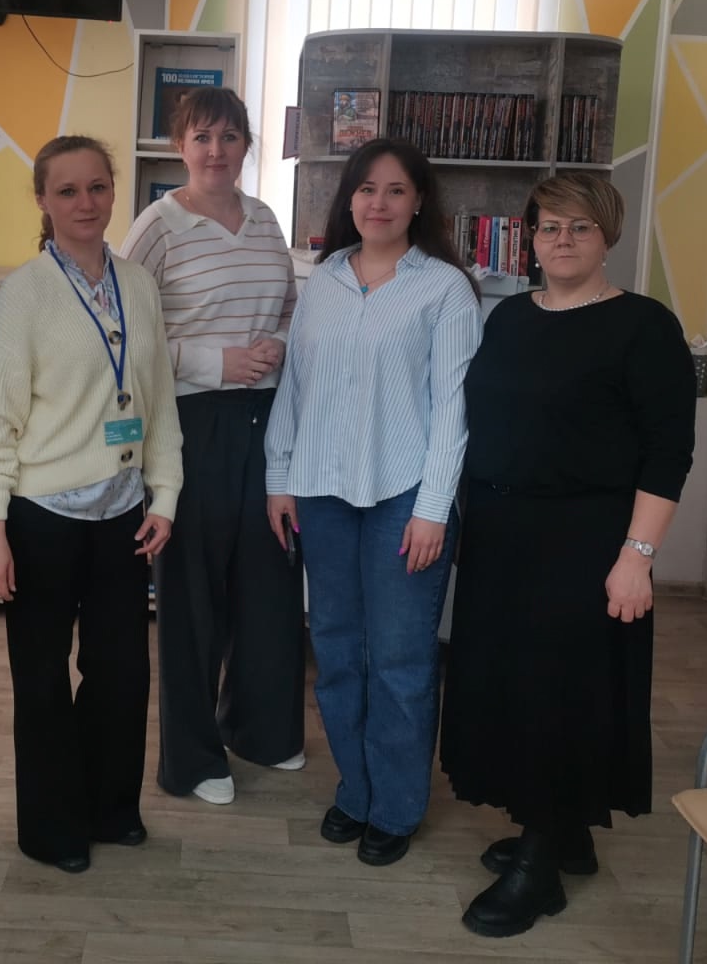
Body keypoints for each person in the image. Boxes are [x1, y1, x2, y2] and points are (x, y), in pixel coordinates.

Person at [439, 172, 695, 939]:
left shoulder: (644, 327)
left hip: (586, 540)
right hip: (500, 535)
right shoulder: (510, 317)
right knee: (511, 689)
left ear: (607, 234)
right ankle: (562, 832)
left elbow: (668, 453)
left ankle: (540, 868)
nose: (562, 240)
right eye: (549, 226)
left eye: (579, 226)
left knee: (560, 696)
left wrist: (637, 556)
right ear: (531, 237)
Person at [0, 135, 182, 874]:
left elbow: (159, 404)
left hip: (124, 514)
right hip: (41, 517)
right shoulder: (23, 295)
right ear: (42, 201)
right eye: (67, 191)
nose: (85, 203)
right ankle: (51, 828)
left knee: (122, 674)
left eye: (97, 187)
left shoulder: (137, 285)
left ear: (114, 192)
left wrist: (165, 495)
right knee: (42, 679)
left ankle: (110, 808)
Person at [264, 138, 481, 868]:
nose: (378, 203)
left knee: (400, 660)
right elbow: (296, 388)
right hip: (321, 492)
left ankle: (395, 806)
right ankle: (355, 790)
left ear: (419, 202)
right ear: (348, 200)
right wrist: (279, 478)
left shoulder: (445, 290)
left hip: (405, 499)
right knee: (335, 653)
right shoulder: (322, 280)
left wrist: (433, 508)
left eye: (395, 190)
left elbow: (453, 410)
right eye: (366, 189)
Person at [120, 88, 304, 807]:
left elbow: (290, 309)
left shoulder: (264, 220)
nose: (216, 151)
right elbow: (125, 331)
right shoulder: (157, 226)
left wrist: (274, 346)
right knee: (192, 597)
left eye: (230, 136)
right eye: (201, 137)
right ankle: (193, 759)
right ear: (180, 147)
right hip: (190, 423)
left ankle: (261, 730)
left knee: (268, 581)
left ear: (246, 145)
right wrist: (214, 361)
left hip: (267, 419)